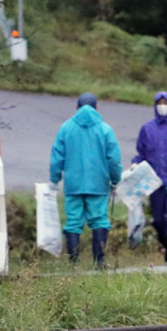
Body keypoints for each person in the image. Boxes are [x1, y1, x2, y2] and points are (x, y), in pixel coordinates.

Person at [49, 92, 123, 267]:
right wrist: (115, 179)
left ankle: (73, 263)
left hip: (73, 184)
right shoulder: (105, 129)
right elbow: (113, 158)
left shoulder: (66, 128)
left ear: (77, 107)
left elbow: (57, 156)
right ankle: (100, 261)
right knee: (99, 220)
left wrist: (54, 179)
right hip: (98, 183)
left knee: (73, 222)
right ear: (96, 108)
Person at [132, 91, 167, 267]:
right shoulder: (147, 128)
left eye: (165, 103)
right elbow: (142, 153)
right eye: (159, 103)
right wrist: (135, 164)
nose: (162, 106)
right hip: (154, 181)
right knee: (158, 220)